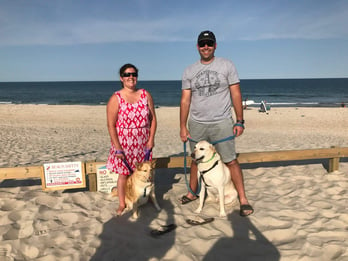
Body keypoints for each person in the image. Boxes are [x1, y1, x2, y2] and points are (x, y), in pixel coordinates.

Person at [179, 30, 253, 217]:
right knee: (196, 159)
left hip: (222, 122)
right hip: (197, 123)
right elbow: (185, 100)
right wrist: (182, 126)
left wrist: (240, 121)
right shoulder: (189, 70)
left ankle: (243, 199)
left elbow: (236, 93)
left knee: (231, 160)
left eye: (209, 44)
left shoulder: (227, 65)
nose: (206, 47)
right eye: (202, 44)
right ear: (197, 47)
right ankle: (192, 192)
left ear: (215, 46)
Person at [106, 63, 157, 216]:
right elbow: (111, 125)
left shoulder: (145, 94)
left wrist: (151, 139)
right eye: (127, 75)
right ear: (121, 78)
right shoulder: (116, 98)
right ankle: (122, 203)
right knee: (123, 175)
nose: (131, 77)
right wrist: (117, 147)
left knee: (143, 173)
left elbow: (153, 119)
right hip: (123, 142)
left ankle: (140, 197)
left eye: (134, 74)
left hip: (142, 142)